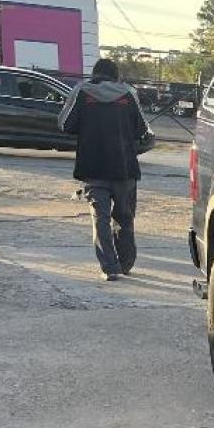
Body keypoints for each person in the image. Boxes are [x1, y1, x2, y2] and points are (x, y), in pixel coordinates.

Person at [58, 58, 150, 280]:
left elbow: (65, 124)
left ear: (95, 74)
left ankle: (110, 268)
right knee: (125, 218)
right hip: (125, 168)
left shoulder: (81, 92)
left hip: (93, 167)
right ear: (116, 75)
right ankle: (126, 263)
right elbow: (141, 129)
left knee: (101, 219)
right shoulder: (128, 94)